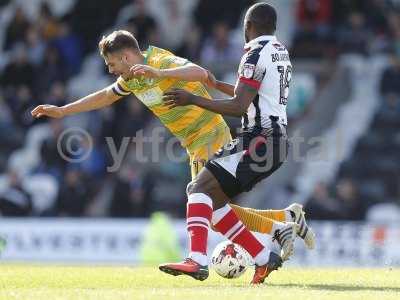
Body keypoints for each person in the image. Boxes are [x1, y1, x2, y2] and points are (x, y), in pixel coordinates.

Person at [30, 28, 313, 265]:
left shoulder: (159, 61)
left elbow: (200, 72)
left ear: (126, 57)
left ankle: (250, 246)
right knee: (213, 212)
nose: (110, 69)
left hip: (209, 133)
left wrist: (155, 71)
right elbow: (105, 96)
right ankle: (283, 223)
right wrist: (63, 111)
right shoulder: (132, 78)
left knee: (205, 204)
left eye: (112, 63)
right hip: (193, 142)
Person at [159, 3, 309, 284]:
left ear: (248, 26)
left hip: (258, 140)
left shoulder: (254, 53)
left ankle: (197, 260)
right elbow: (252, 95)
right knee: (213, 202)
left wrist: (193, 99)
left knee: (197, 188)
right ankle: (264, 258)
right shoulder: (280, 51)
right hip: (275, 142)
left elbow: (240, 106)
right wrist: (216, 86)